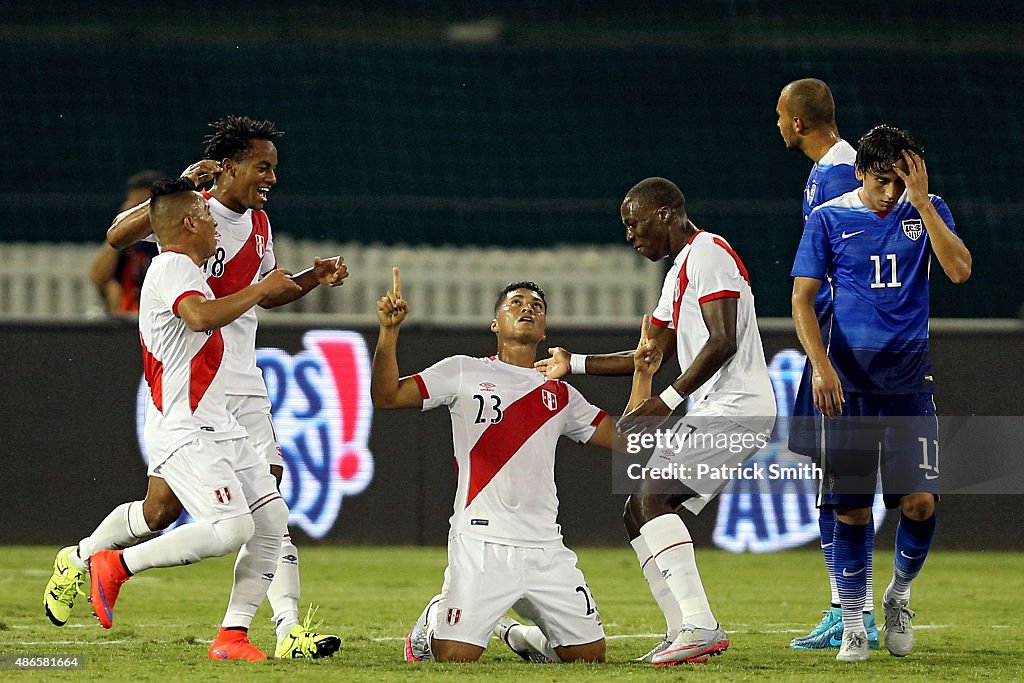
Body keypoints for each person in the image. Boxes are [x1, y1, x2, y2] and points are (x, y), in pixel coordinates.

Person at [43, 116, 347, 659]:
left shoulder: (259, 225)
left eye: (274, 168)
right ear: (227, 167)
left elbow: (270, 292)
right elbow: (119, 238)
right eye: (262, 166)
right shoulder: (191, 212)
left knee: (269, 502)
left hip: (240, 381)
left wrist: (309, 279)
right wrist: (184, 184)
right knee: (162, 512)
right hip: (191, 380)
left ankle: (279, 628)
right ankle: (86, 556)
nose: (271, 178)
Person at [537, 177, 776, 665]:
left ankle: (701, 626)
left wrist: (667, 399)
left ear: (665, 213)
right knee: (638, 510)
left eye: (634, 222)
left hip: (736, 407)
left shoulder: (709, 252)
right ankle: (683, 631)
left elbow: (723, 339)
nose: (630, 235)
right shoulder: (679, 271)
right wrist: (575, 363)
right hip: (713, 408)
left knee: (652, 499)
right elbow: (650, 354)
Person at [372, 269, 655, 664]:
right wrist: (389, 332)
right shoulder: (463, 370)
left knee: (589, 658)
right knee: (454, 657)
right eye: (516, 303)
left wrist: (642, 375)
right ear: (496, 323)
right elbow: (386, 396)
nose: (527, 309)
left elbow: (626, 440)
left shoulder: (560, 393)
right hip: (480, 542)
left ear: (544, 331)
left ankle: (520, 636)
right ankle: (436, 615)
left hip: (544, 546)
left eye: (537, 306)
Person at [86, 177, 298, 659]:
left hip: (218, 420)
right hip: (185, 425)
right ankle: (115, 564)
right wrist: (261, 287)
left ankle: (232, 637)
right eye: (205, 218)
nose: (214, 226)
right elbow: (200, 317)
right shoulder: (172, 265)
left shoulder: (189, 266)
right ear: (188, 224)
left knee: (271, 519)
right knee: (231, 530)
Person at [791, 125, 971, 661]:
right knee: (851, 510)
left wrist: (922, 201)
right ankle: (851, 621)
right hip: (849, 386)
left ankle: (898, 596)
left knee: (918, 503)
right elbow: (801, 298)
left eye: (901, 182)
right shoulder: (830, 218)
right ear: (863, 173)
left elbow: (959, 270)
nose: (892, 193)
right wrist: (822, 368)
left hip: (910, 384)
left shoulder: (926, 209)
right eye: (883, 181)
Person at [776, 77, 879, 650]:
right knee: (828, 474)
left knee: (842, 478)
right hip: (834, 344)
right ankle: (844, 602)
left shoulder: (841, 174)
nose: (777, 125)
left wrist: (829, 358)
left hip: (842, 349)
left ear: (797, 122)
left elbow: (849, 272)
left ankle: (849, 606)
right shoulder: (829, 169)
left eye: (779, 116)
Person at [89, 170, 164, 316]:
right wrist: (119, 232)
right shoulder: (130, 243)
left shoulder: (173, 238)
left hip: (162, 317)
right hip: (128, 317)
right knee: (111, 286)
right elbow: (98, 279)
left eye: (142, 205)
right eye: (134, 206)